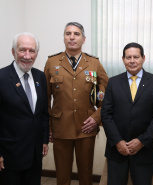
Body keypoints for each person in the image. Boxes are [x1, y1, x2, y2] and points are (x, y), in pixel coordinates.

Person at [44, 22, 108, 185]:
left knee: (86, 174)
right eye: (68, 33)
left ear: (84, 39)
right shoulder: (52, 62)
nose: (72, 37)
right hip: (61, 127)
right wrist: (48, 127)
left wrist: (97, 117)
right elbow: (45, 98)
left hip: (86, 126)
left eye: (76, 34)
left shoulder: (94, 63)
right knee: (62, 174)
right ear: (64, 38)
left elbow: (107, 94)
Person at [101, 42, 153, 185]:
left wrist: (141, 141)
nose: (132, 61)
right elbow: (106, 114)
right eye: (128, 57)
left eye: (136, 57)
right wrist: (118, 141)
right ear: (123, 59)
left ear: (143, 58)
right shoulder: (113, 82)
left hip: (144, 151)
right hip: (117, 150)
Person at [0, 32, 49, 185]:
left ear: (36, 53)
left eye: (32, 51)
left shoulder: (40, 77)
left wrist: (44, 140)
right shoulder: (2, 78)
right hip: (9, 155)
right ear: (13, 52)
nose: (27, 56)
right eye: (22, 50)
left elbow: (43, 113)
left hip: (35, 154)